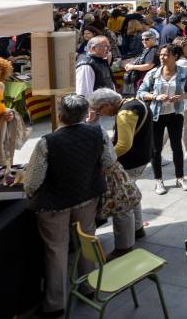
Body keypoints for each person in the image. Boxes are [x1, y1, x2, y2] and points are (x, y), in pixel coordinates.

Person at [24, 95, 115, 318]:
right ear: (86, 114)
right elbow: (109, 162)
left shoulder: (47, 142)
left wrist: (28, 192)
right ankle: (89, 286)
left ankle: (55, 304)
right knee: (87, 242)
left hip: (55, 204)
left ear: (60, 114)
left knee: (56, 250)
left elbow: (32, 181)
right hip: (86, 196)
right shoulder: (98, 133)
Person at [87, 88, 153, 258]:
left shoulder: (125, 113)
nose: (101, 114)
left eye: (99, 110)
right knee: (130, 191)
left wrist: (106, 160)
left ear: (108, 104)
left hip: (131, 161)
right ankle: (137, 229)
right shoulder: (135, 101)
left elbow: (124, 145)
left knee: (121, 202)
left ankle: (124, 247)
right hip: (142, 156)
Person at [138, 44, 187, 195]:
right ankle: (158, 180)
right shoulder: (153, 74)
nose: (162, 58)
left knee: (177, 147)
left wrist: (181, 97)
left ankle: (180, 177)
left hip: (175, 114)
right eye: (161, 55)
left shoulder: (182, 73)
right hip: (157, 115)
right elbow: (141, 93)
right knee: (156, 149)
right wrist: (156, 97)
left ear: (174, 56)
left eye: (165, 55)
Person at [122, 28, 159, 94]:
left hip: (148, 81)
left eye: (147, 39)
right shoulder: (147, 49)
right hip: (144, 79)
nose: (144, 41)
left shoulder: (153, 50)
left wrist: (132, 67)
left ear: (154, 39)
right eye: (142, 39)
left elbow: (148, 66)